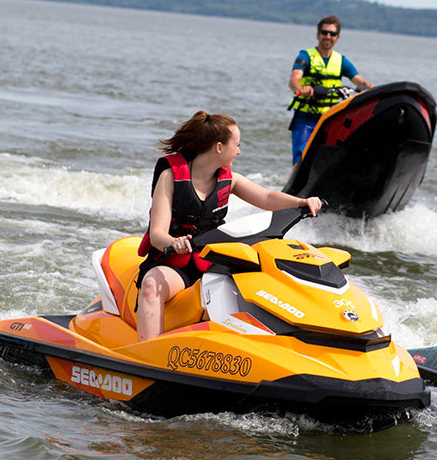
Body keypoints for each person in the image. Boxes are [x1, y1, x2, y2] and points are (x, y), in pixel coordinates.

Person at [135, 111, 323, 342]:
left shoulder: (230, 179)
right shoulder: (170, 176)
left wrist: (302, 202)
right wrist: (175, 242)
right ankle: (148, 351)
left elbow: (267, 198)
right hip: (176, 261)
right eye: (237, 144)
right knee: (152, 285)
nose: (239, 151)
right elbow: (157, 234)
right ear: (219, 148)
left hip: (215, 259)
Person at [287, 15, 373, 166]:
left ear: (337, 37)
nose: (328, 36)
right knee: (301, 160)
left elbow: (360, 81)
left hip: (329, 119)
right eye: (324, 32)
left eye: (332, 34)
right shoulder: (305, 56)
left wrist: (372, 91)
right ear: (318, 34)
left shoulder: (341, 61)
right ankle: (294, 184)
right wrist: (301, 88)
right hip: (305, 118)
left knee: (333, 160)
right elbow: (294, 79)